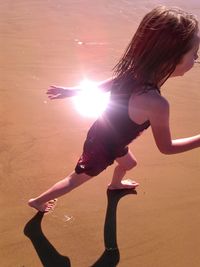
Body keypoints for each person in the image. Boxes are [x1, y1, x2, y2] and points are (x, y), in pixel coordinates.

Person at [29, 6, 200, 212]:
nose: (196, 59)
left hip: (107, 135)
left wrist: (73, 91)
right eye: (194, 54)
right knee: (75, 180)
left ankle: (115, 185)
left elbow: (108, 84)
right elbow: (167, 148)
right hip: (102, 147)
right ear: (170, 59)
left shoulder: (136, 72)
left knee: (129, 164)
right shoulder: (157, 104)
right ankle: (37, 201)